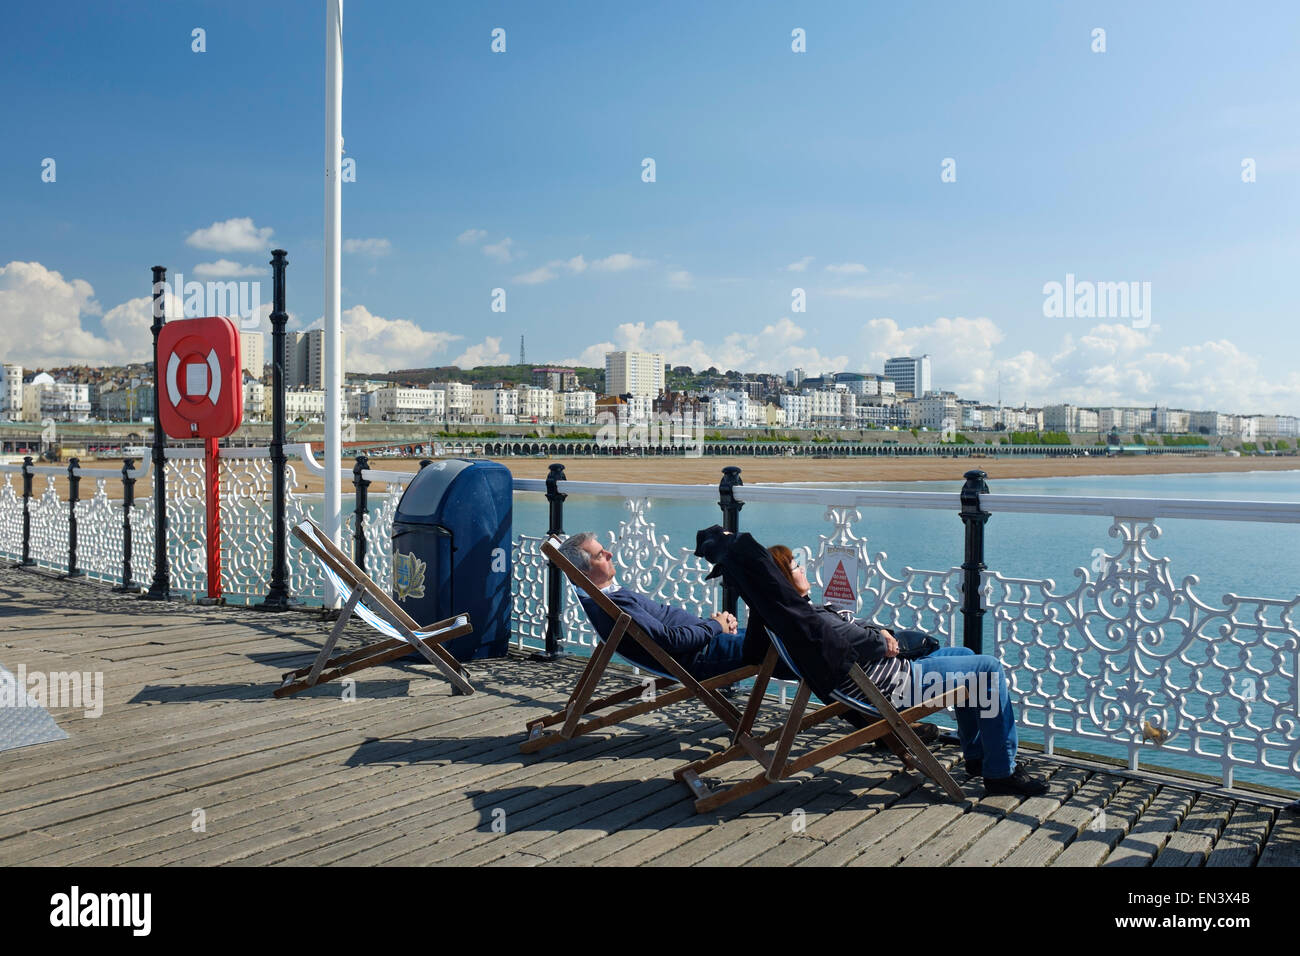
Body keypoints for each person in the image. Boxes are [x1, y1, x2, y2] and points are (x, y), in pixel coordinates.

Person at [767, 543, 1048, 797]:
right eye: (795, 566)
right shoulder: (812, 619)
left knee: (966, 655)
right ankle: (1001, 772)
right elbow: (856, 638)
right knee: (988, 669)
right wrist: (882, 637)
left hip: (887, 676)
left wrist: (879, 633)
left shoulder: (797, 616)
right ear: (785, 580)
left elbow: (854, 633)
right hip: (894, 687)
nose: (802, 568)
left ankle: (977, 755)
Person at [557, 531, 794, 682]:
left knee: (784, 640)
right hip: (705, 655)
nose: (609, 553)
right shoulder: (615, 605)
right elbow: (671, 641)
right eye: (600, 555)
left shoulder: (608, 597)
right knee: (792, 645)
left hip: (708, 642)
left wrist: (712, 626)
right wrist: (715, 626)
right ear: (583, 571)